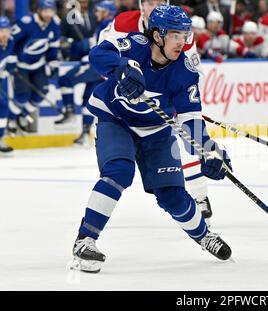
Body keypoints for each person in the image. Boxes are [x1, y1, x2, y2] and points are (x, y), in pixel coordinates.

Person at [70, 5, 232, 273]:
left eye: (185, 35)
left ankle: (204, 236)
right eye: (175, 35)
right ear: (157, 36)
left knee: (173, 195)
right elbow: (98, 54)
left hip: (156, 130)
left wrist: (208, 151)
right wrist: (122, 66)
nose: (182, 42)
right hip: (116, 120)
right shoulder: (134, 44)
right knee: (119, 170)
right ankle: (85, 240)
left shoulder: (185, 72)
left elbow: (190, 119)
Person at [99, 0, 215, 226]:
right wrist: (122, 77)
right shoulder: (124, 23)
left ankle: (200, 196)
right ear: (142, 5)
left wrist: (175, 99)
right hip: (125, 94)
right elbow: (104, 54)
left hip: (164, 92)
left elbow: (189, 68)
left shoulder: (178, 26)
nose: (155, 5)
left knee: (185, 140)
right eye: (150, 1)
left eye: (160, 1)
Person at [56, 1, 117, 146]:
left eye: (99, 11)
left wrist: (89, 55)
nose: (96, 14)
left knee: (65, 79)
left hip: (96, 67)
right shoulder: (109, 25)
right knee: (87, 100)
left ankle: (69, 111)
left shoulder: (106, 26)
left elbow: (102, 49)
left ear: (106, 12)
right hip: (104, 70)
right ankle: (84, 133)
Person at [10, 0, 60, 133]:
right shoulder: (26, 23)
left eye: (51, 11)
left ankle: (22, 114)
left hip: (39, 65)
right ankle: (12, 118)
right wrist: (11, 58)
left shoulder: (54, 24)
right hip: (21, 65)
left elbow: (53, 46)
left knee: (41, 94)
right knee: (22, 96)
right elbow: (11, 40)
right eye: (45, 10)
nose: (48, 14)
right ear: (38, 10)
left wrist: (52, 61)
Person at [0, 16, 15, 153]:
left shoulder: (10, 41)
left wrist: (11, 67)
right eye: (1, 30)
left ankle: (0, 138)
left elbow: (9, 60)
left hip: (2, 78)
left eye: (7, 30)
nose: (4, 34)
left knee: (3, 106)